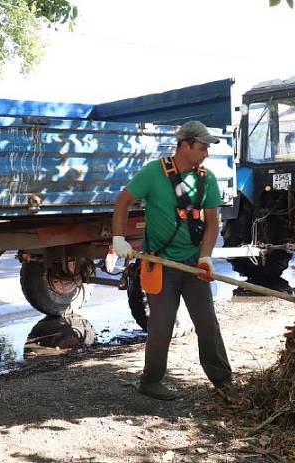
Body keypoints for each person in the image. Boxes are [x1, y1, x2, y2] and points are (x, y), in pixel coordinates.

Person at [111, 120, 232, 401]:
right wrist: (118, 239)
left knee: (206, 322)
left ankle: (223, 381)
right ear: (185, 145)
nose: (206, 153)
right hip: (160, 264)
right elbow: (123, 201)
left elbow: (213, 222)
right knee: (161, 324)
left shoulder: (207, 179)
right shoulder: (154, 173)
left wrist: (206, 256)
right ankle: (150, 381)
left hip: (191, 262)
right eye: (202, 147)